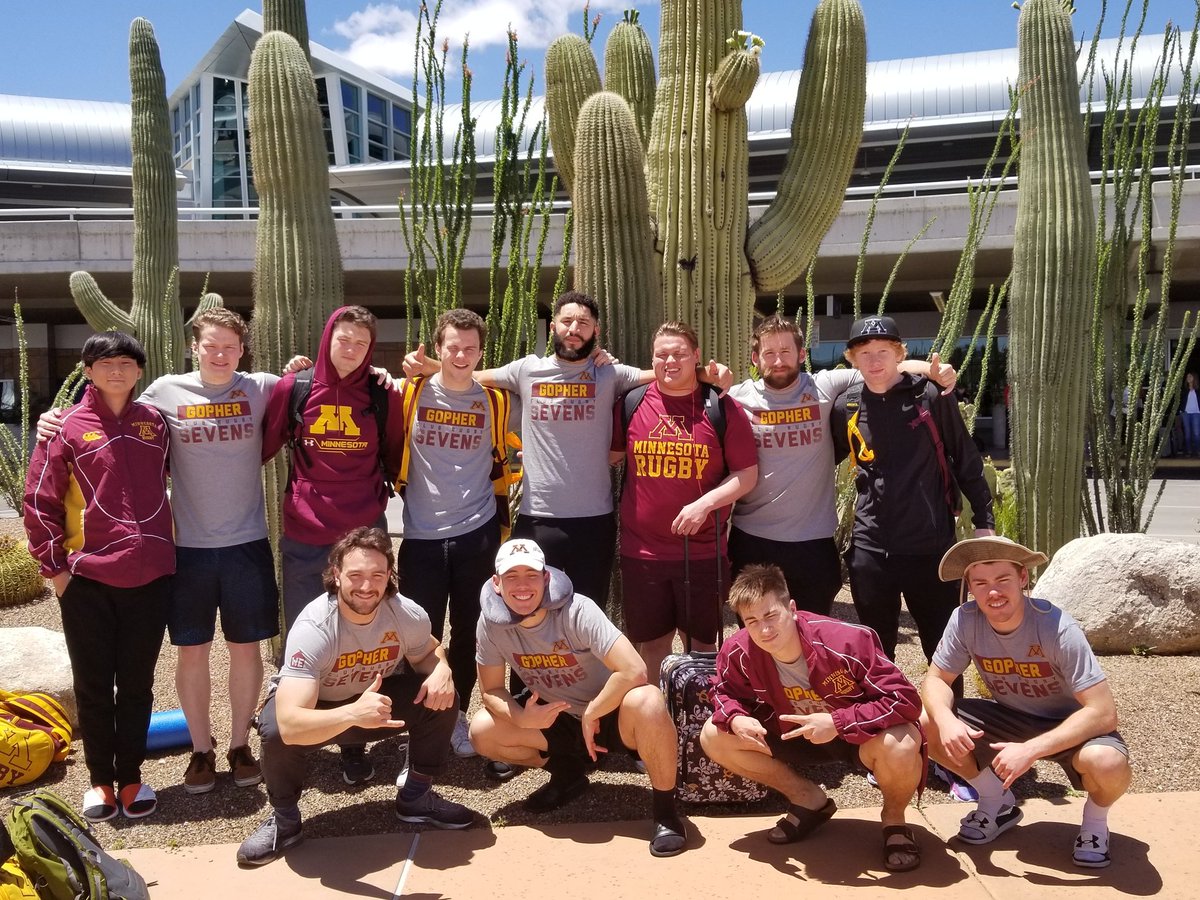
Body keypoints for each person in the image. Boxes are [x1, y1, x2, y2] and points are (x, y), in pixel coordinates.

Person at [36, 309, 280, 795]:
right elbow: (111, 406)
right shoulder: (164, 392)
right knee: (192, 652)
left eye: (230, 346)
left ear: (242, 349)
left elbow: (315, 382)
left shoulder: (261, 386)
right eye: (211, 345)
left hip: (247, 542)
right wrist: (54, 417)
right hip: (184, 546)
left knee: (245, 649)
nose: (220, 354)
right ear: (194, 347)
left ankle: (238, 745)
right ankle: (200, 751)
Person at [236, 527, 474, 867]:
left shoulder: (405, 613)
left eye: (377, 574)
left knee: (443, 697)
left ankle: (416, 798)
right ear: (336, 574)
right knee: (274, 729)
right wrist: (350, 714)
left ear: (390, 575)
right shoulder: (315, 628)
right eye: (356, 575)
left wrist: (442, 669)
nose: (366, 586)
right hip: (322, 710)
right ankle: (285, 821)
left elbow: (429, 652)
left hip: (374, 704)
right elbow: (290, 722)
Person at [24, 332, 174, 822]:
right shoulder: (63, 427)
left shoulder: (155, 422)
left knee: (137, 684)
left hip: (150, 576)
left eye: (126, 362)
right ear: (87, 371)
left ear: (138, 372)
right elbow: (39, 501)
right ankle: (100, 782)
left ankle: (130, 778)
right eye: (104, 362)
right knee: (92, 685)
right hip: (87, 579)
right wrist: (57, 573)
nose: (116, 370)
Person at [921, 536, 1132, 868]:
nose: (993, 592)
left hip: (1073, 727)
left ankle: (1094, 824)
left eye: (1003, 579)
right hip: (1010, 717)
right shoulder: (965, 619)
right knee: (924, 721)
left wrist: (1032, 749)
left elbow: (1104, 712)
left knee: (1108, 763)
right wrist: (946, 722)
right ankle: (995, 802)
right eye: (981, 582)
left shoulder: (1056, 627)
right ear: (970, 587)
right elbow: (935, 680)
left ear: (1023, 578)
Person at [469, 539, 688, 857]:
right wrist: (520, 716)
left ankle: (666, 812)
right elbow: (490, 690)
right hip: (556, 713)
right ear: (497, 584)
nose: (522, 586)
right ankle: (568, 773)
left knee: (649, 700)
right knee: (482, 730)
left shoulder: (577, 609)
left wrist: (593, 712)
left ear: (546, 578)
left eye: (531, 575)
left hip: (610, 710)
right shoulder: (490, 622)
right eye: (511, 576)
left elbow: (635, 670)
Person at [262, 305, 406, 786]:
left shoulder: (381, 396)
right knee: (305, 640)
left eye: (361, 344)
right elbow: (263, 443)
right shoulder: (295, 388)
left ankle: (352, 743)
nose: (351, 349)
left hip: (363, 534)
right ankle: (298, 735)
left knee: (358, 644)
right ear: (328, 338)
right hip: (306, 530)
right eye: (344, 339)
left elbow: (391, 453)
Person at [700, 564, 925, 872]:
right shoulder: (737, 649)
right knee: (713, 734)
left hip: (855, 737)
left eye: (771, 616)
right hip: (794, 733)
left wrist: (837, 722)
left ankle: (895, 821)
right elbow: (723, 693)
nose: (764, 630)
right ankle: (808, 799)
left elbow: (906, 701)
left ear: (791, 608)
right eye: (751, 621)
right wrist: (737, 718)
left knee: (903, 740)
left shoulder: (848, 641)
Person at [728, 314, 957, 615]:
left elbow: (886, 369)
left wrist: (932, 370)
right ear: (756, 359)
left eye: (785, 352)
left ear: (800, 354)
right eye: (769, 353)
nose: (778, 360)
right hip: (753, 538)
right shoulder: (737, 398)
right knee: (757, 632)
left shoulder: (824, 385)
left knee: (814, 632)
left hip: (813, 540)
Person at [830, 315, 994, 666]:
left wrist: (984, 519)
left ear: (899, 354)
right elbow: (821, 459)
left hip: (929, 546)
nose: (875, 361)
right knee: (876, 650)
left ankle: (947, 717)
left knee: (943, 650)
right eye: (865, 353)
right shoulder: (847, 406)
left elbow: (965, 458)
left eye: (884, 351)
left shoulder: (929, 396)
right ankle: (885, 718)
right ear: (852, 359)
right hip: (871, 548)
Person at [610, 321, 758, 678]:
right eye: (662, 355)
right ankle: (653, 721)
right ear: (652, 359)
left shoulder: (721, 408)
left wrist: (704, 504)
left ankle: (699, 721)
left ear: (696, 358)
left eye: (679, 354)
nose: (670, 361)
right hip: (642, 553)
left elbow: (746, 475)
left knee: (702, 646)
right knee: (650, 647)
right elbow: (610, 457)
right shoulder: (632, 403)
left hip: (702, 552)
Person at [395, 308, 506, 759]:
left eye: (470, 348)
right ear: (437, 348)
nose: (461, 355)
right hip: (419, 533)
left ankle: (455, 713)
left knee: (466, 631)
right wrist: (298, 367)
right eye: (452, 347)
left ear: (481, 352)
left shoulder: (495, 400)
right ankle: (418, 717)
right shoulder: (410, 393)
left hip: (477, 532)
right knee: (417, 631)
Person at [1180, 372, 1200, 457]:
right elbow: (1180, 400)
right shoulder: (1184, 389)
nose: (1188, 377)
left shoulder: (1198, 389)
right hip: (1186, 413)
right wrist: (1180, 410)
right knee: (1187, 433)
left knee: (1196, 433)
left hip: (1196, 413)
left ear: (1194, 378)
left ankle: (1197, 450)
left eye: (1190, 376)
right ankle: (1188, 451)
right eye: (1187, 376)